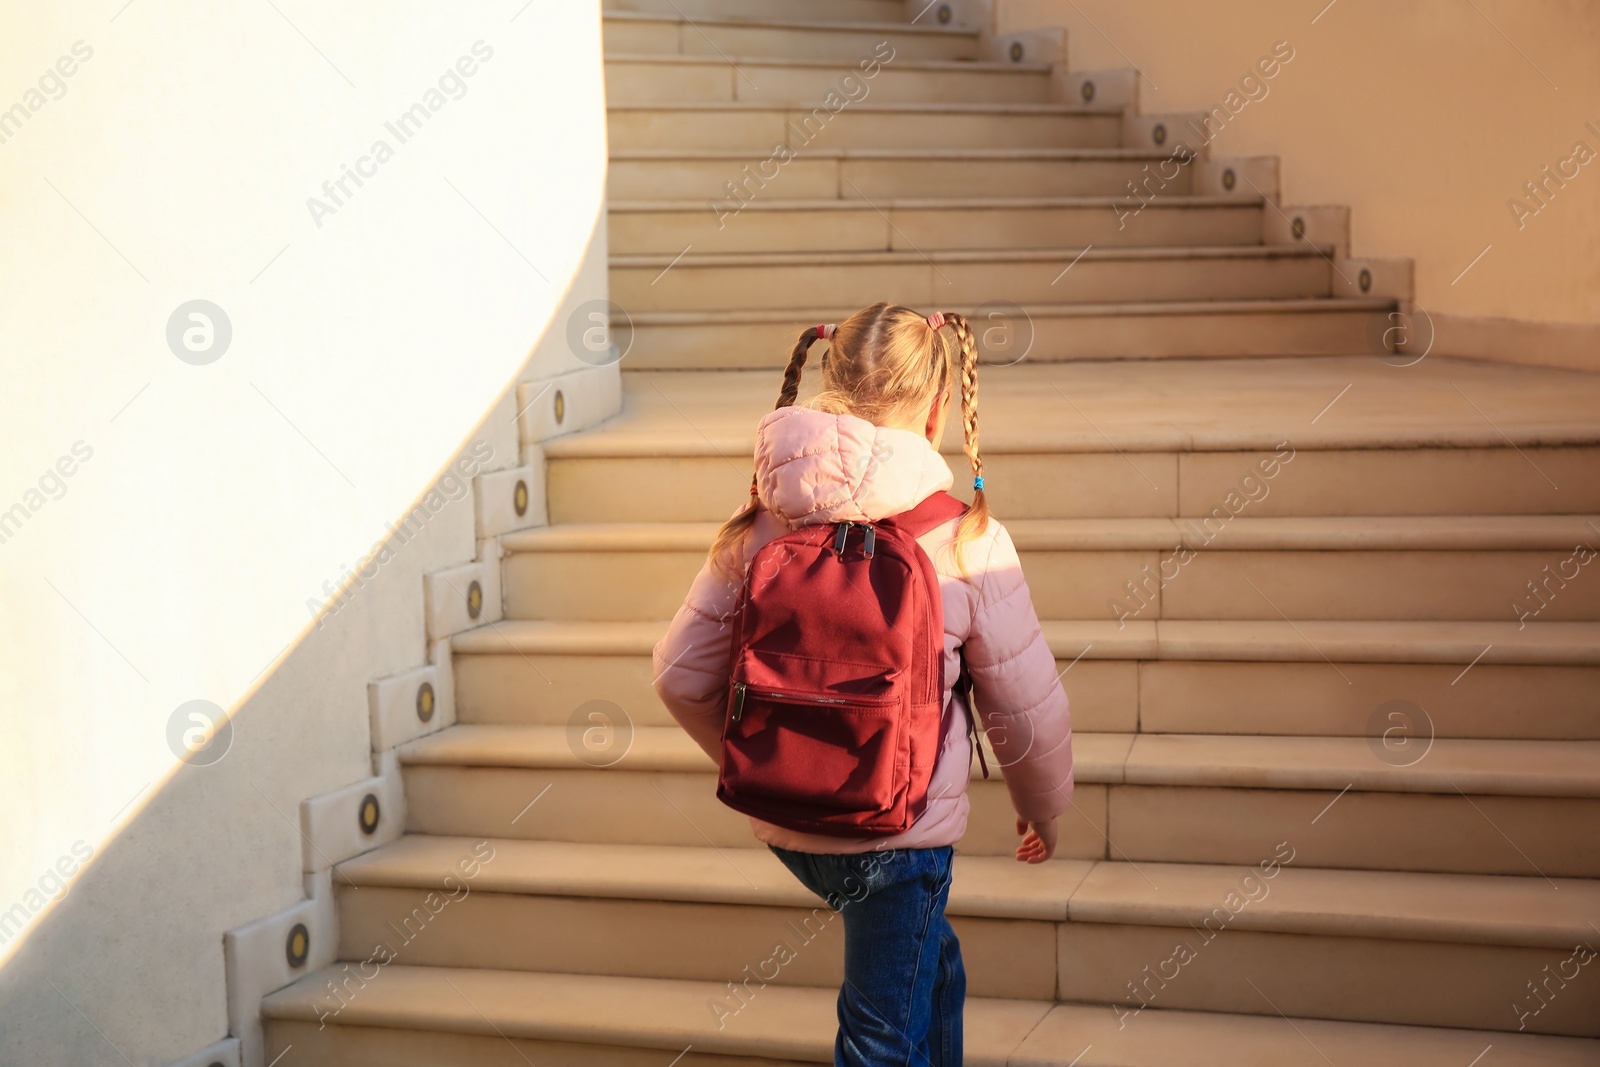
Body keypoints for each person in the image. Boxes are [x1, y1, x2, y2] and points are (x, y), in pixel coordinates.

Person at [652, 301, 1074, 1066]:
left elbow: (679, 673)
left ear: (824, 380)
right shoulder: (967, 538)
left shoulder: (765, 522)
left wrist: (762, 755)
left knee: (931, 964)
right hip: (896, 836)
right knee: (879, 1040)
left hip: (790, 826)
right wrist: (1042, 810)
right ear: (940, 407)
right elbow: (1024, 712)